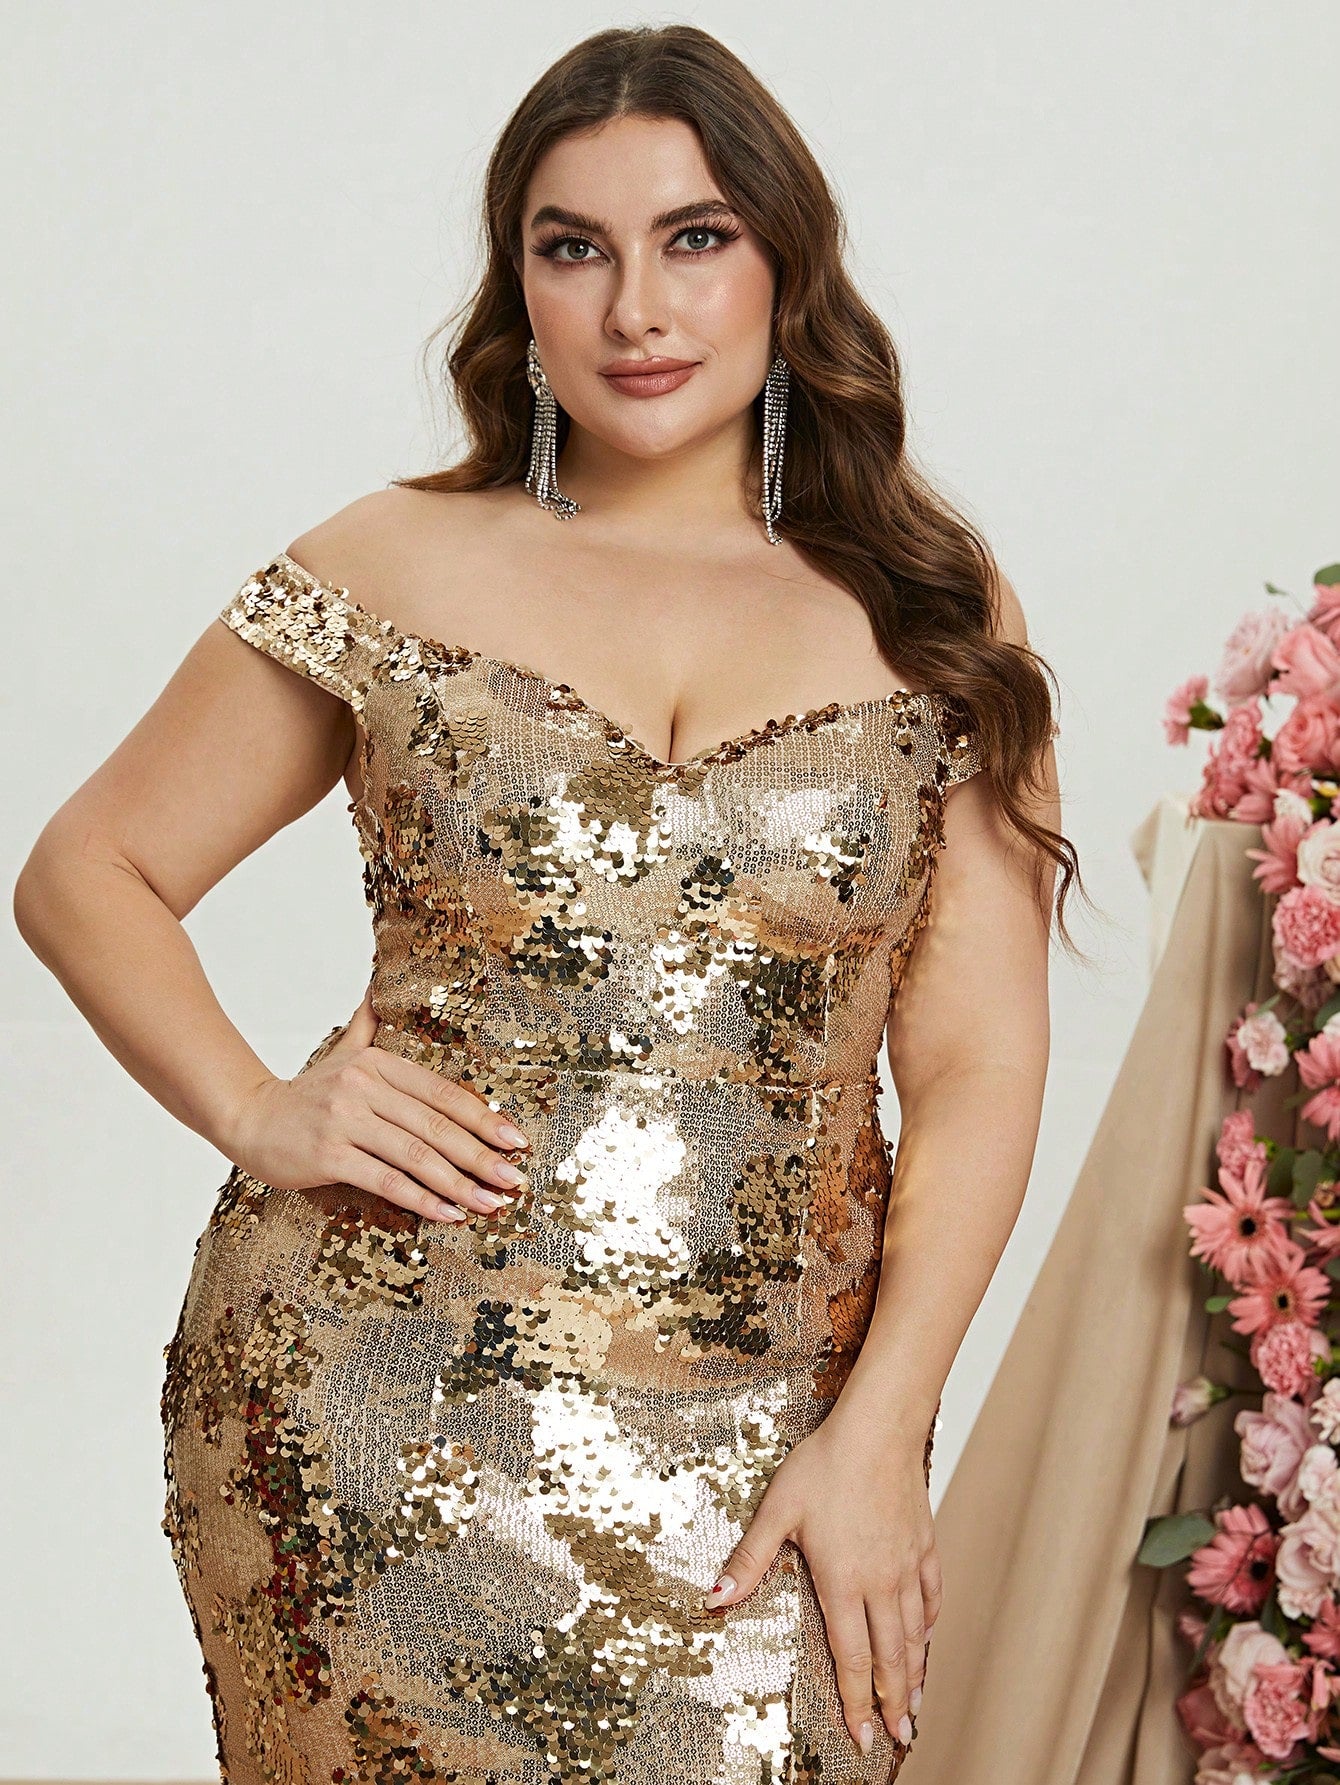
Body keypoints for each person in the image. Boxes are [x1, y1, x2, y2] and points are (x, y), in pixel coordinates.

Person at [13, 23, 1077, 1784]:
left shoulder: (932, 607)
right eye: (573, 248)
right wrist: (260, 1106)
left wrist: (883, 1429)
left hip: (780, 1427)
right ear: (519, 286)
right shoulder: (392, 561)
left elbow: (977, 1066)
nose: (636, 309)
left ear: (786, 262)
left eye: (695, 238)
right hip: (374, 1405)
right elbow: (86, 868)